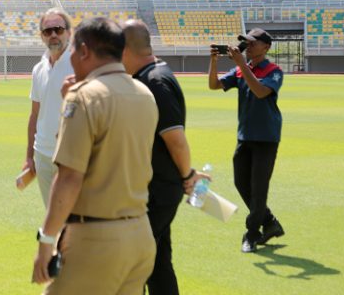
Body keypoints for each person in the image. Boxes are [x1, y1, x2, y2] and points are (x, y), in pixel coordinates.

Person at [32, 17, 158, 295]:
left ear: (85, 51)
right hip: (140, 234)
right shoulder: (145, 94)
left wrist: (47, 240)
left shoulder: (84, 97)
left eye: (75, 50)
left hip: (96, 239)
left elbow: (69, 177)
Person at [122, 19, 208, 295]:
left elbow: (175, 140)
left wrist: (187, 176)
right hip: (155, 186)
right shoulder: (150, 76)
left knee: (132, 258)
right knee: (157, 262)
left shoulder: (155, 81)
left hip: (159, 189)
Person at [208, 28, 285, 253]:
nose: (247, 46)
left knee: (259, 188)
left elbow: (261, 92)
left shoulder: (274, 71)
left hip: (266, 137)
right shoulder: (242, 69)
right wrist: (214, 62)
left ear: (266, 47)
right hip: (245, 135)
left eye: (252, 43)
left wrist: (241, 64)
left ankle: (252, 234)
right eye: (246, 43)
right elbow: (214, 85)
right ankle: (270, 222)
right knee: (241, 183)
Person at [23, 9, 74, 207]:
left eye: (58, 29)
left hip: (72, 157)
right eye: (47, 31)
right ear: (42, 36)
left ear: (69, 32)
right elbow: (35, 114)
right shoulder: (39, 69)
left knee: (76, 221)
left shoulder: (79, 63)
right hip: (43, 155)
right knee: (52, 215)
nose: (53, 35)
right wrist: (29, 156)